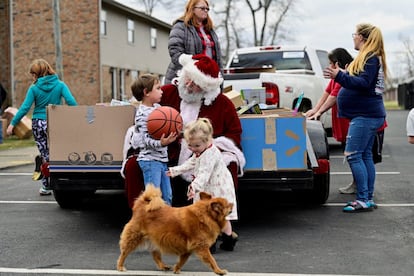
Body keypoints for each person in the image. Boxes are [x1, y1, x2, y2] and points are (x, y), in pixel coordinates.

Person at [324, 23, 387, 213]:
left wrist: (340, 76)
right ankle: (367, 198)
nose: (354, 37)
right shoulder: (368, 58)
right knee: (365, 155)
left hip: (365, 116)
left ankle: (362, 199)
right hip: (366, 115)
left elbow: (363, 83)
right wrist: (342, 74)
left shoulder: (370, 58)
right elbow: (361, 81)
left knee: (353, 156)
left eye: (355, 34)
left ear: (363, 38)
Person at [6, 58, 77, 195]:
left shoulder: (34, 88)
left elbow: (25, 107)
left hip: (38, 123)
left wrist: (13, 124)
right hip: (54, 122)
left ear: (37, 74)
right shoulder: (60, 85)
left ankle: (46, 186)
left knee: (45, 154)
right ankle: (60, 180)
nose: (32, 77)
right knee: (57, 152)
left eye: (33, 74)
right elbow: (71, 102)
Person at [167, 118, 238, 251]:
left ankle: (228, 239)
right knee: (207, 216)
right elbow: (191, 163)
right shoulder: (201, 151)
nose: (193, 149)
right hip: (208, 187)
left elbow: (204, 174)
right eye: (190, 145)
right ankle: (216, 240)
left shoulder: (211, 154)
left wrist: (193, 187)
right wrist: (175, 171)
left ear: (208, 140)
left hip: (218, 188)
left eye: (197, 146)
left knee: (221, 217)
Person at [130, 74, 177, 205]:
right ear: (146, 92)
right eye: (158, 88)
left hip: (162, 160)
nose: (162, 91)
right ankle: (152, 223)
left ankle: (165, 223)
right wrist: (161, 143)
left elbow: (168, 125)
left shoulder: (158, 109)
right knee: (153, 198)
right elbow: (144, 140)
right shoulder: (142, 114)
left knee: (167, 196)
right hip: (150, 161)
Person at [164, 0, 222, 84]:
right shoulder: (180, 26)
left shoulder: (210, 30)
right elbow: (175, 52)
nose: (205, 10)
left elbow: (218, 58)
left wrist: (219, 76)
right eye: (202, 8)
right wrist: (194, 67)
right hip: (186, 80)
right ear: (192, 9)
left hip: (208, 78)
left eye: (207, 9)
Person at [305, 48, 354, 144]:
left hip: (348, 120)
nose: (329, 66)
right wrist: (315, 110)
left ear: (337, 63)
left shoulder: (344, 77)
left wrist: (319, 112)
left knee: (351, 148)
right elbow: (327, 93)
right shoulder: (335, 78)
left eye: (331, 63)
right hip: (341, 118)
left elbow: (333, 97)